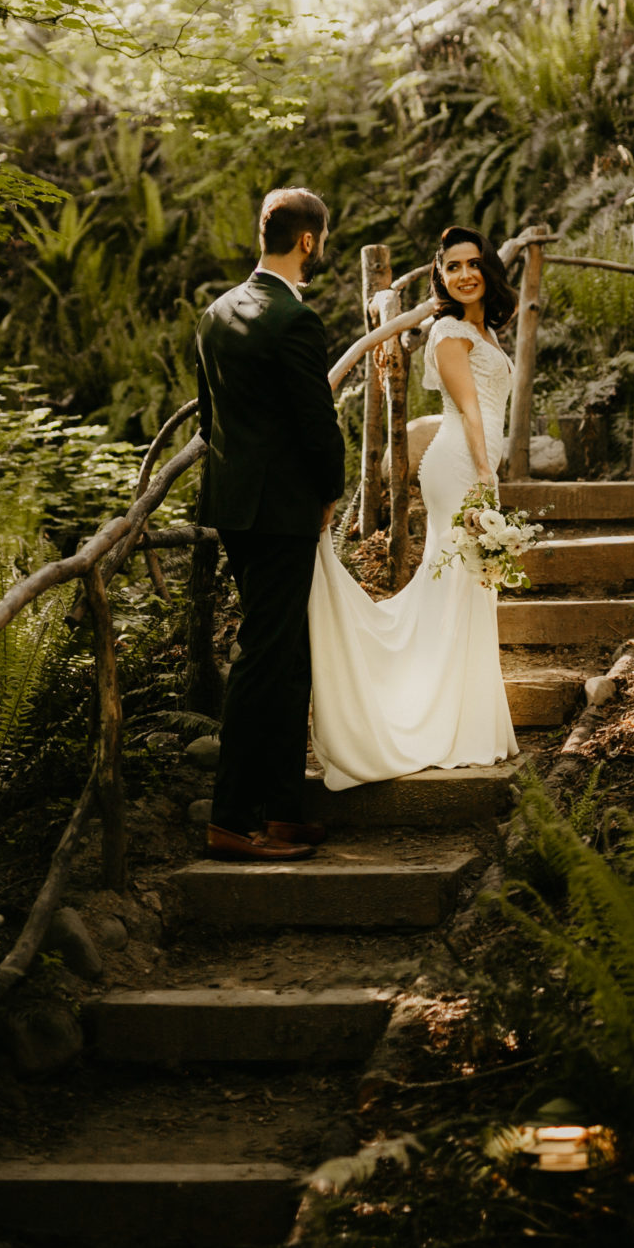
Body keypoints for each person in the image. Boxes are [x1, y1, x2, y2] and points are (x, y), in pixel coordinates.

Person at [308, 226, 520, 786]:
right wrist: (484, 476)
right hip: (458, 466)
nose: (465, 274)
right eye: (453, 267)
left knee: (469, 587)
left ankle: (466, 719)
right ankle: (432, 718)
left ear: (488, 269)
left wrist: (488, 474)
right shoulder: (450, 332)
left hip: (475, 466)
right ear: (441, 276)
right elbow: (471, 411)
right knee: (457, 583)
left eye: (474, 263)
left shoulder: (487, 330)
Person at [195, 186, 347, 861]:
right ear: (308, 240)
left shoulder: (216, 313)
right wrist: (331, 491)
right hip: (283, 509)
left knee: (287, 656)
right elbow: (318, 423)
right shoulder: (294, 320)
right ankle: (232, 818)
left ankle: (284, 809)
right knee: (264, 657)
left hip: (234, 504)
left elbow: (210, 421)